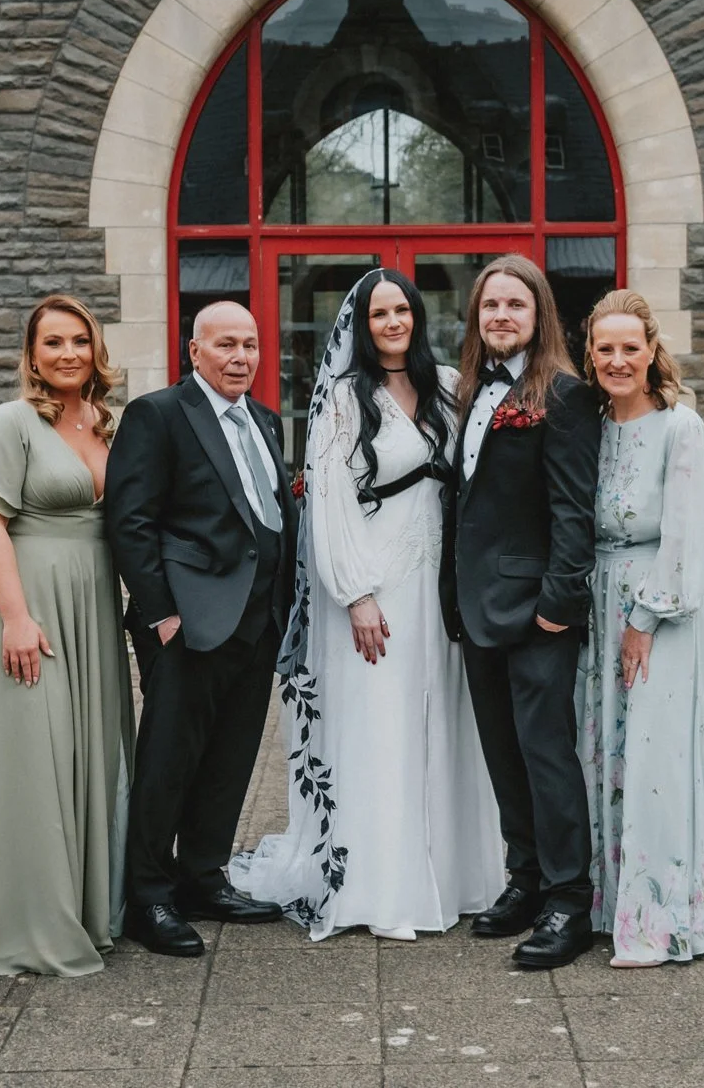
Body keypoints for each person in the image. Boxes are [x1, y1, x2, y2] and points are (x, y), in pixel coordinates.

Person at [231, 270, 501, 941]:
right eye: (379, 312)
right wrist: (355, 593)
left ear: (416, 316)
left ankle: (452, 871)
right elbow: (329, 502)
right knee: (384, 720)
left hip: (436, 578)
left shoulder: (442, 385)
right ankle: (380, 883)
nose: (391, 322)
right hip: (378, 581)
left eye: (401, 310)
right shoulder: (345, 400)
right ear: (361, 323)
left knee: (440, 713)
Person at [0, 294, 134, 978]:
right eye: (52, 343)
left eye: (78, 340)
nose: (67, 353)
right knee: (34, 756)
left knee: (89, 749)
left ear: (94, 348)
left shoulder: (106, 422)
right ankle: (25, 919)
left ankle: (89, 905)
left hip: (93, 603)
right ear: (32, 354)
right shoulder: (9, 422)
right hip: (33, 604)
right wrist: (14, 615)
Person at [105, 301, 295, 957]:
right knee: (169, 758)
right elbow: (131, 520)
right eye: (226, 345)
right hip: (186, 624)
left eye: (250, 345)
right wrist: (161, 614)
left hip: (258, 619)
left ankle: (203, 874)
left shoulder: (265, 420)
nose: (241, 357)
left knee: (232, 754)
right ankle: (149, 895)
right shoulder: (158, 415)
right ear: (195, 351)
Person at [442, 253, 602, 969]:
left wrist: (558, 608)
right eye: (490, 305)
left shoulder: (563, 395)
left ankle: (570, 899)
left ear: (539, 317)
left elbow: (574, 511)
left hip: (537, 612)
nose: (501, 315)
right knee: (504, 756)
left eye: (515, 304)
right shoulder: (472, 392)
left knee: (548, 759)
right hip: (476, 610)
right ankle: (526, 878)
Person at [578, 289, 704, 968]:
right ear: (590, 354)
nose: (618, 360)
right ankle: (607, 902)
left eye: (629, 348)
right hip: (595, 599)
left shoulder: (681, 427)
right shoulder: (591, 425)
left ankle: (657, 917)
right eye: (605, 348)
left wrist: (644, 616)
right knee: (601, 753)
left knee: (654, 757)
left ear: (651, 352)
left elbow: (685, 537)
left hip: (657, 613)